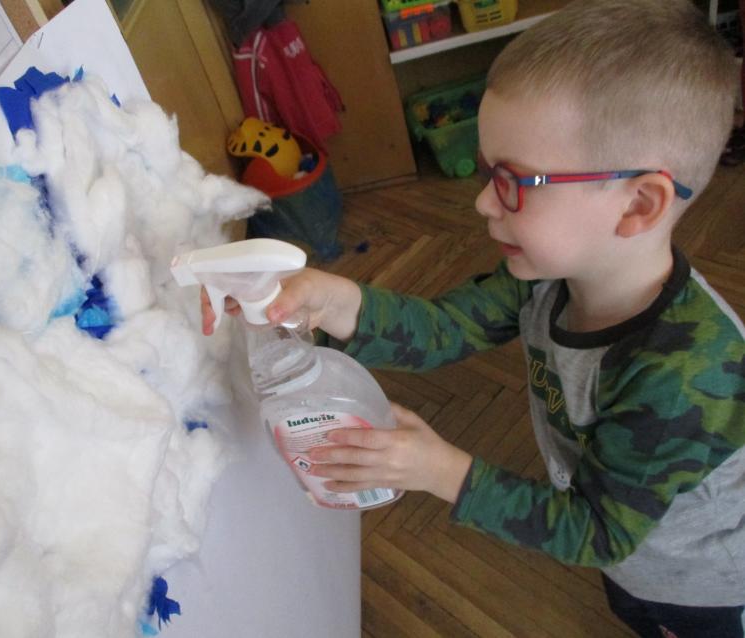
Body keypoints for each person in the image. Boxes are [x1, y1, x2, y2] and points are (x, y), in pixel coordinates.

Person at [201, 1, 745, 635]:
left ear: (637, 206)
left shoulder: (682, 376)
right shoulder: (546, 277)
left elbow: (596, 532)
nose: (484, 202)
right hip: (635, 558)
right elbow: (445, 328)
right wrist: (332, 301)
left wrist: (439, 470)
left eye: (512, 181)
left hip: (702, 584)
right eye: (489, 173)